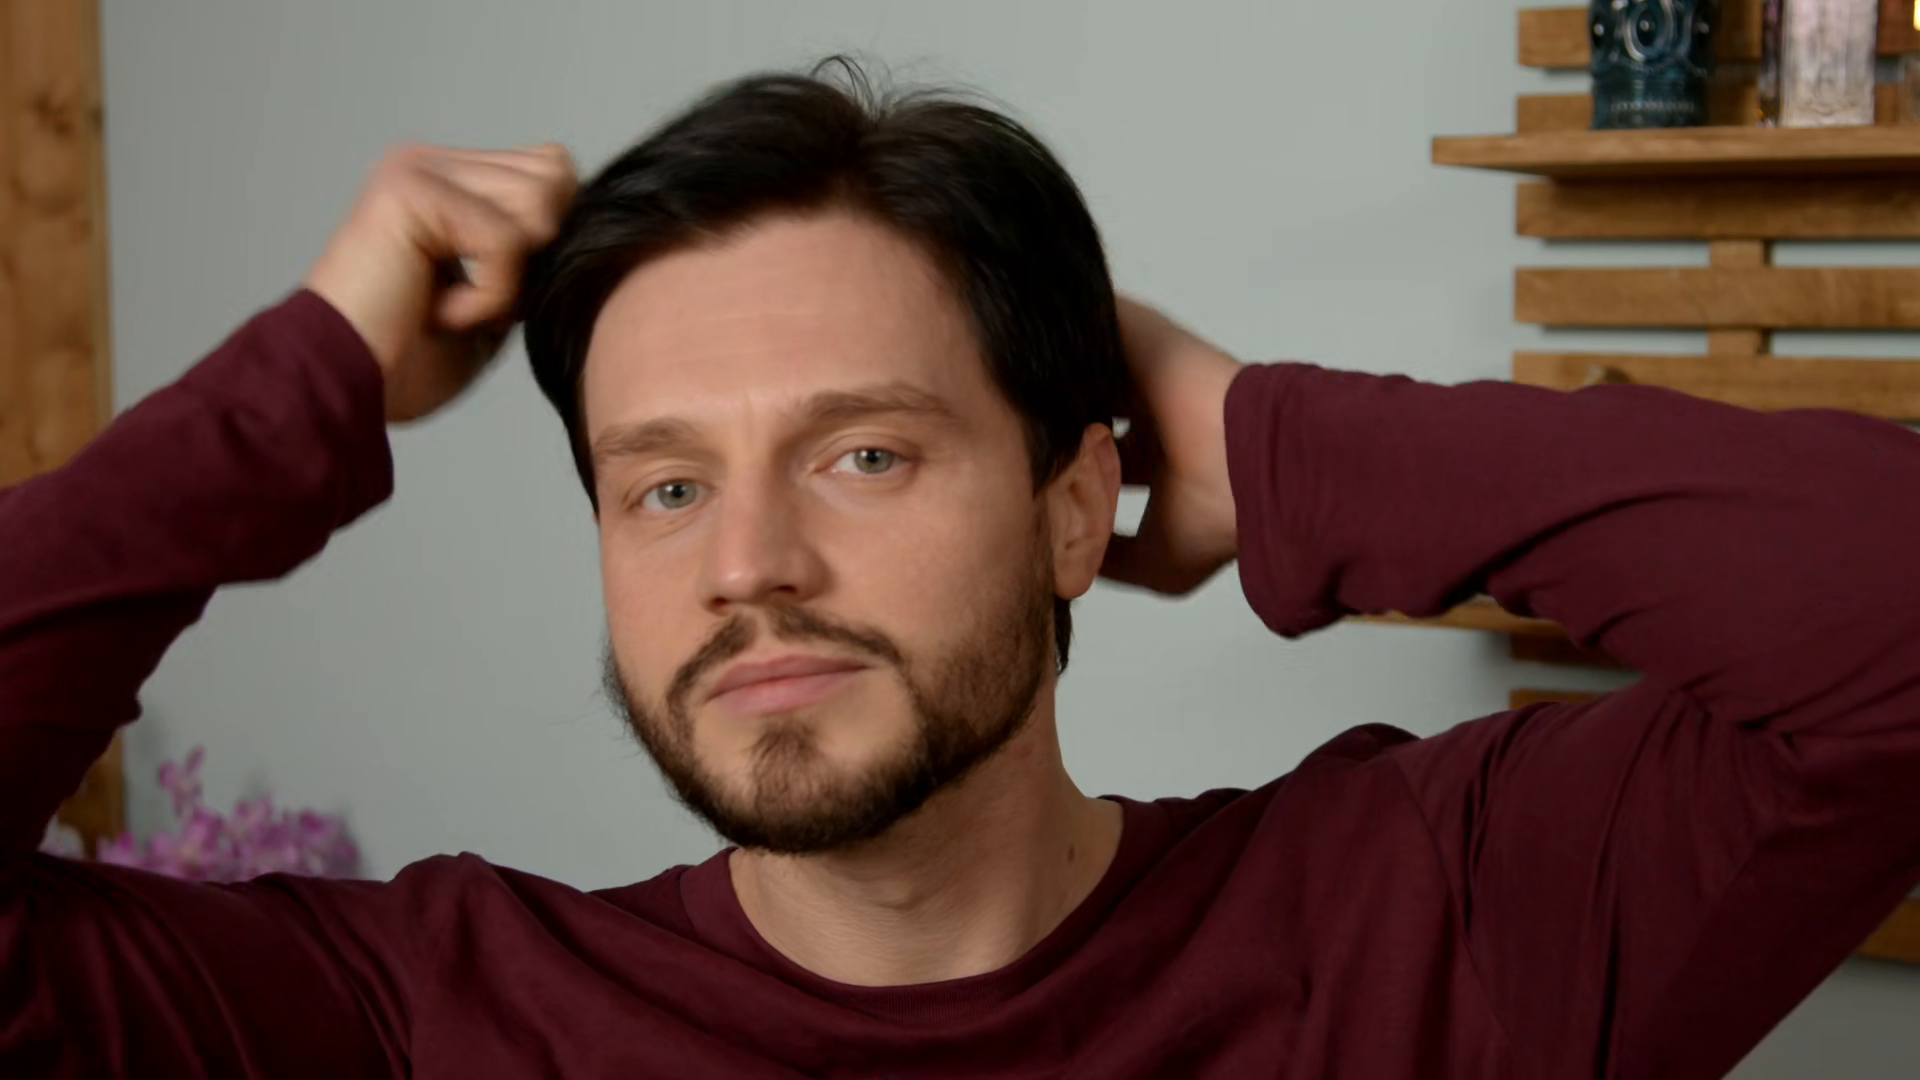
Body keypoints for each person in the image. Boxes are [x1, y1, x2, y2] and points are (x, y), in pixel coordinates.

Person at [4, 62, 1919, 1079]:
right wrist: (303, 390)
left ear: (1078, 505)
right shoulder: (421, 1021)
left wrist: (1262, 438)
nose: (747, 566)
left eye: (864, 453)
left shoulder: (1441, 926)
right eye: (662, 487)